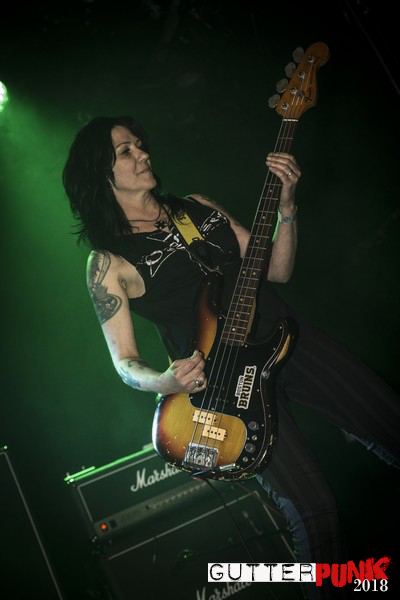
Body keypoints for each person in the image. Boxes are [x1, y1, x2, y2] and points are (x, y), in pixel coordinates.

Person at [63, 116, 399, 600]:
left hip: (285, 338)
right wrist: (166, 381)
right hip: (225, 390)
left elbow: (276, 269)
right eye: (126, 152)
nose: (143, 154)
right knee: (314, 513)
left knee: (389, 422)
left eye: (140, 144)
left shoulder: (196, 207)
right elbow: (125, 362)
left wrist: (287, 207)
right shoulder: (108, 261)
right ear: (100, 173)